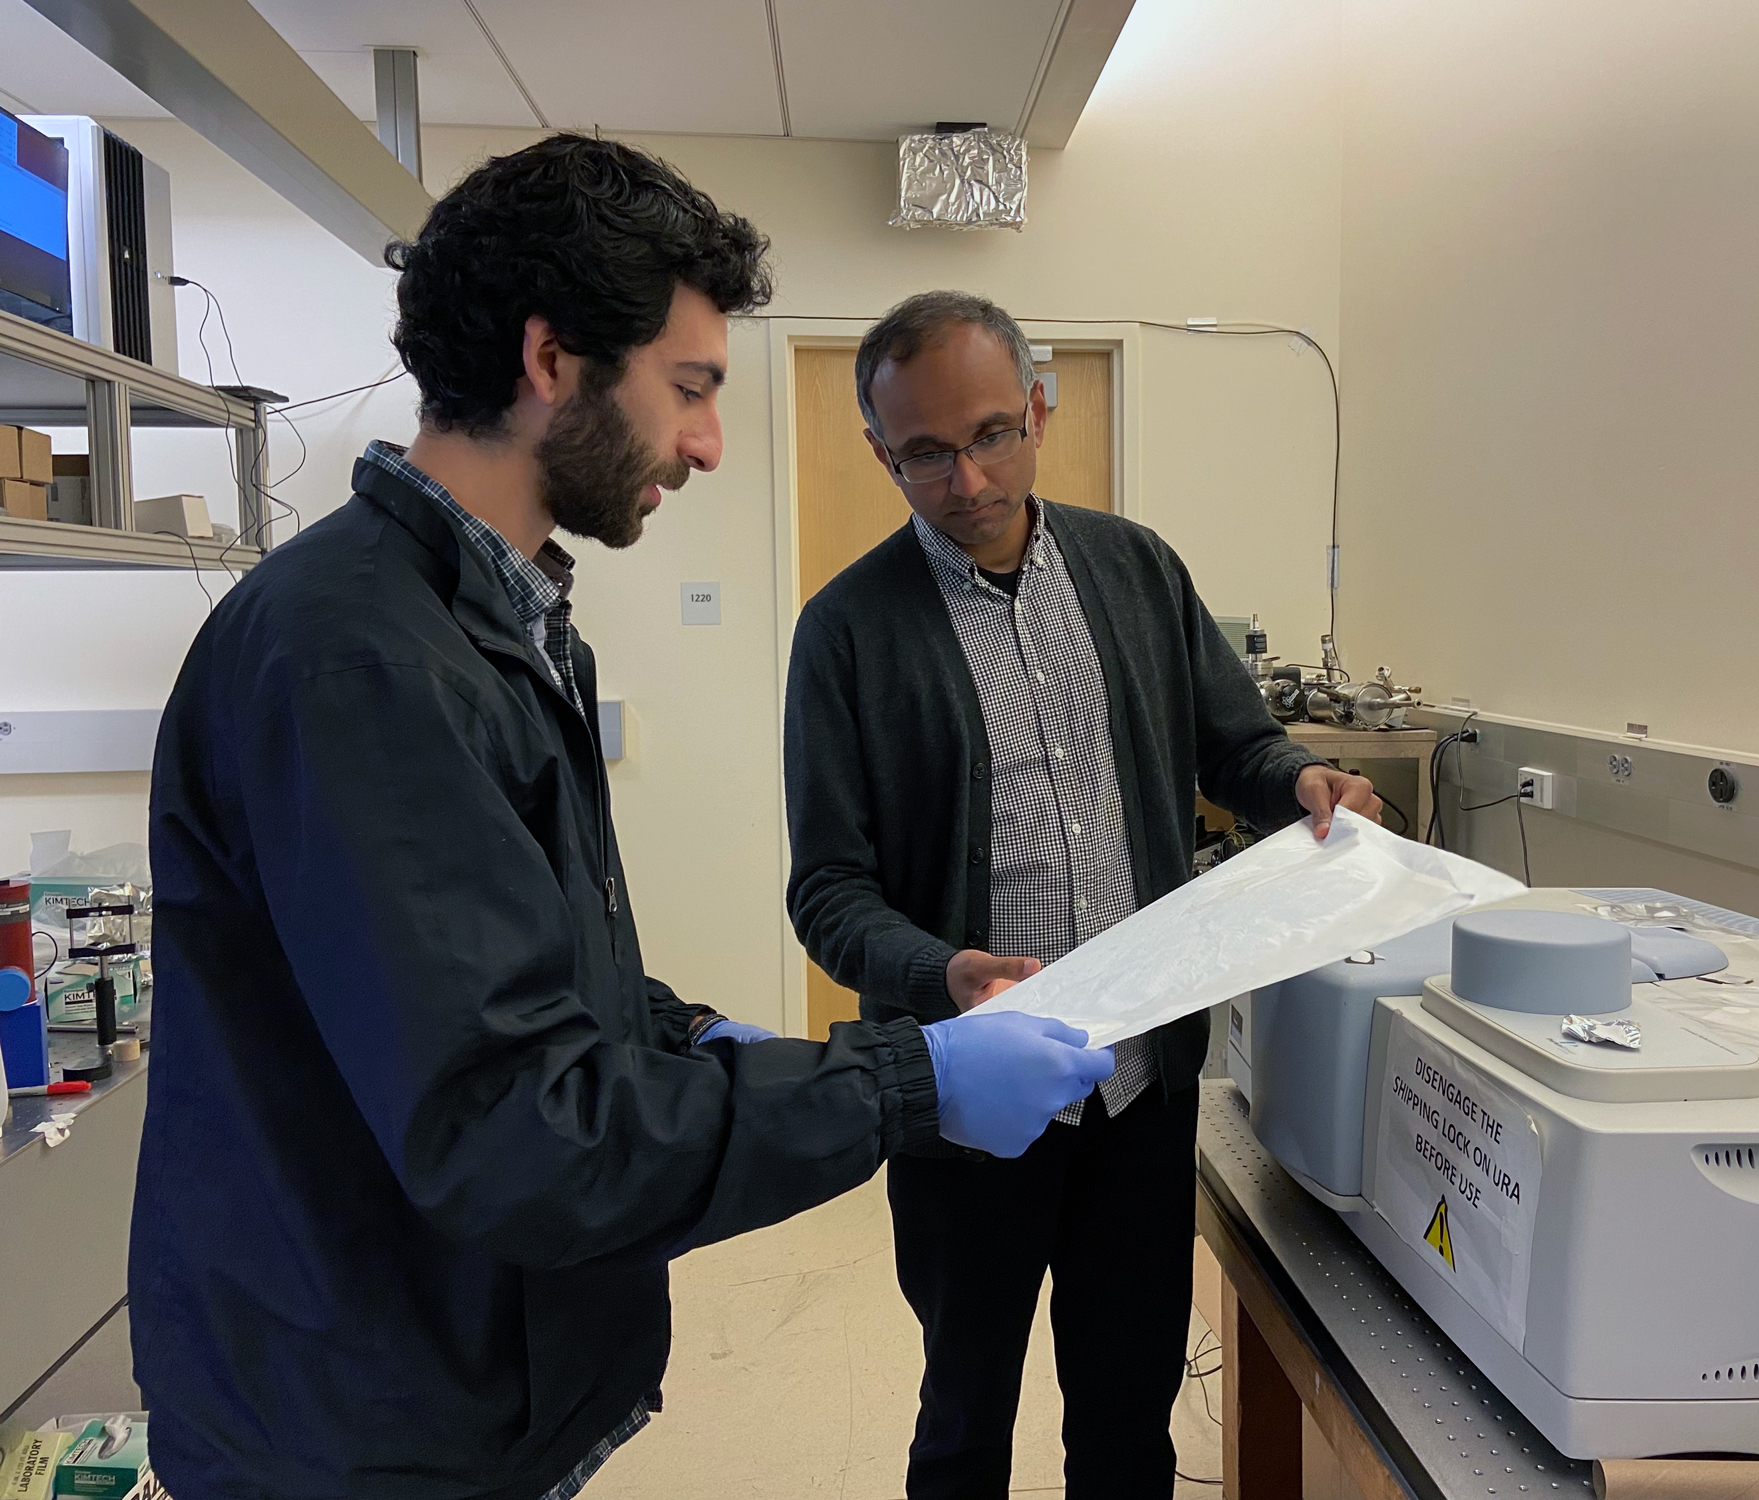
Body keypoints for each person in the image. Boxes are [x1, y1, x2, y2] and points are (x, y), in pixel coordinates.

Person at [135, 140, 1114, 1500]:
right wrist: (915, 1083)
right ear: (554, 362)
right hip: (361, 1427)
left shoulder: (490, 623)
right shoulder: (361, 662)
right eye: (691, 388)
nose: (709, 440)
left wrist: (684, 1033)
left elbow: (501, 984)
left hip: (453, 1382)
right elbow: (519, 1131)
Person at [784, 290, 1383, 1499]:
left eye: (993, 434)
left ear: (1038, 412)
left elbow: (1237, 749)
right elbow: (828, 891)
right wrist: (942, 972)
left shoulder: (1135, 572)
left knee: (1127, 1416)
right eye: (925, 454)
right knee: (963, 1418)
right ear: (878, 450)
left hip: (1138, 1093)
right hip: (970, 1096)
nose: (965, 478)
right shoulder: (846, 632)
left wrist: (1301, 781)